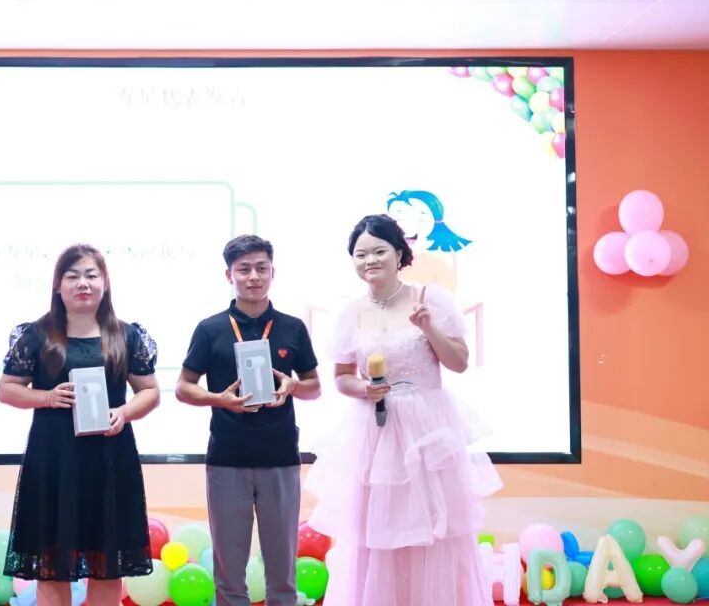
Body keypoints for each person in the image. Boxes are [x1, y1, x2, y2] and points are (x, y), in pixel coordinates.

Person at [305, 215, 501, 606]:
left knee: (432, 530)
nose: (369, 260)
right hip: (374, 433)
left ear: (399, 254)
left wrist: (429, 327)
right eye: (360, 254)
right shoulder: (351, 313)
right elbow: (342, 377)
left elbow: (459, 362)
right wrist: (365, 389)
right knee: (376, 532)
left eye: (379, 251)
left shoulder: (430, 299)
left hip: (426, 431)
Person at [0, 244, 161, 606]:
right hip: (53, 461)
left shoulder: (126, 336)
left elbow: (150, 391)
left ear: (105, 282)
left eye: (91, 275)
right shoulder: (36, 335)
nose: (82, 283)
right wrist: (47, 397)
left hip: (109, 461)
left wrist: (124, 413)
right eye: (72, 276)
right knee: (52, 565)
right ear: (58, 286)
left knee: (107, 566)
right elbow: (6, 389)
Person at [176, 235, 321, 606]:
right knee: (229, 576)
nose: (253, 276)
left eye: (261, 268)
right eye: (244, 269)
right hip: (227, 460)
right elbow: (183, 388)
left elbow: (315, 387)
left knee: (283, 575)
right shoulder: (210, 329)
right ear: (230, 275)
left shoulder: (292, 327)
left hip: (281, 459)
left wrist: (293, 386)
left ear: (273, 272)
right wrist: (218, 399)